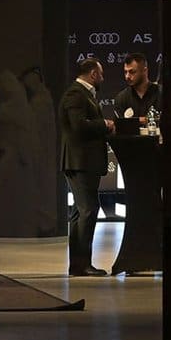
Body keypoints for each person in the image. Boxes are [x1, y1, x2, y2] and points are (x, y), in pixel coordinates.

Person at [60, 57, 114, 276]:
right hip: (80, 162)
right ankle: (82, 264)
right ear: (93, 74)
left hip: (83, 162)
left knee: (81, 211)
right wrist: (105, 124)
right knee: (88, 210)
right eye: (101, 74)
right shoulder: (76, 94)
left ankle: (78, 265)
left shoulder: (83, 94)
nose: (103, 78)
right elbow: (79, 126)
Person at [112, 52, 161, 124]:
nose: (127, 76)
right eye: (125, 72)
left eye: (132, 72)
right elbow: (120, 125)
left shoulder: (161, 93)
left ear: (145, 71)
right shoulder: (121, 98)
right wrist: (140, 121)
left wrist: (135, 121)